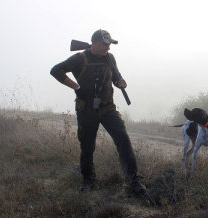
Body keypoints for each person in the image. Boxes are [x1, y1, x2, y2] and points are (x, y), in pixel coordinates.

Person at [50, 29, 146, 195]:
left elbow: (116, 78)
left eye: (109, 44)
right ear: (94, 43)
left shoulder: (110, 58)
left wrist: (120, 82)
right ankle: (88, 180)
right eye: (105, 44)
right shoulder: (80, 58)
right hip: (86, 108)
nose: (108, 48)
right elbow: (56, 70)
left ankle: (134, 180)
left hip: (108, 107)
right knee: (87, 146)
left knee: (123, 140)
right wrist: (77, 87)